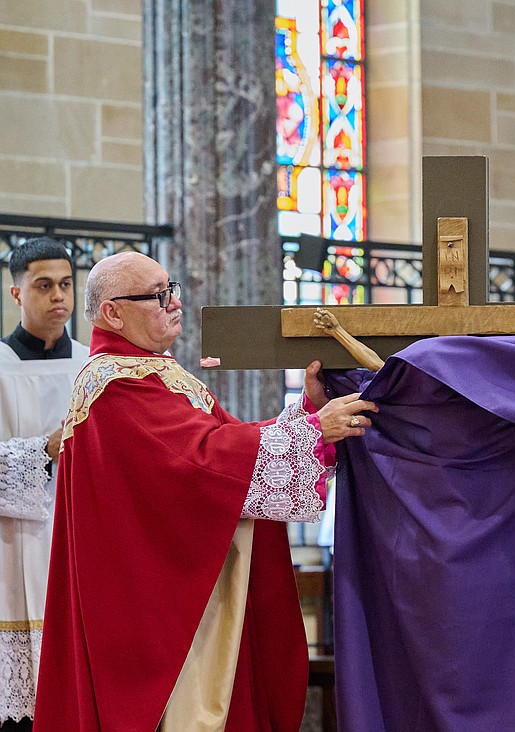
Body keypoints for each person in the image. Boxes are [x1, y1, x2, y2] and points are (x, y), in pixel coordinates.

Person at [33, 251, 376, 730]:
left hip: (183, 589)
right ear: (113, 312)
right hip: (156, 608)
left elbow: (223, 443)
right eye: (157, 296)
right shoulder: (115, 384)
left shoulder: (156, 372)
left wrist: (305, 414)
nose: (173, 303)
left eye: (170, 288)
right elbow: (198, 462)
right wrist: (315, 430)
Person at [0, 238, 88, 731]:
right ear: (17, 293)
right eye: (44, 286)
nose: (59, 296)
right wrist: (43, 450)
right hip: (12, 548)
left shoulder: (91, 366)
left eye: (66, 284)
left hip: (79, 540)